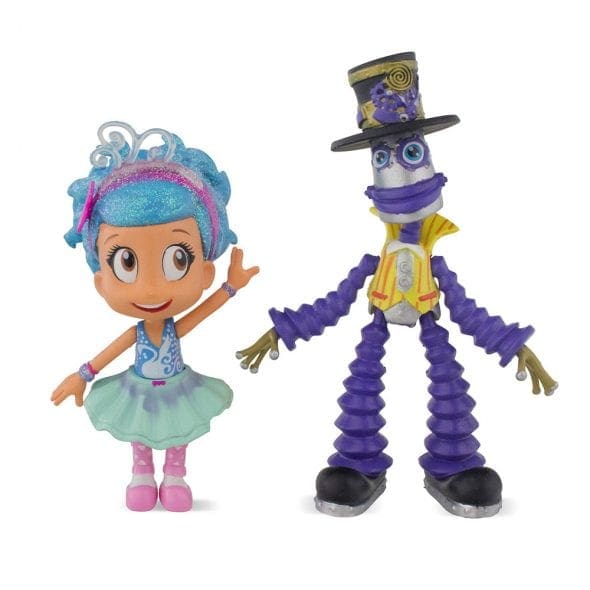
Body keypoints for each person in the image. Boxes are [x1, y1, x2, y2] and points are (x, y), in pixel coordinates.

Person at [237, 53, 557, 518]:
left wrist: (513, 345)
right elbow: (333, 304)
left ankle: (454, 461)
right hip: (379, 319)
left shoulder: (434, 263)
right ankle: (357, 460)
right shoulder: (375, 263)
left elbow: (468, 313)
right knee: (363, 382)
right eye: (382, 158)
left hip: (428, 317)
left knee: (448, 381)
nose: (400, 177)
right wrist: (282, 331)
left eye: (410, 154)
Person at [52, 121, 258, 512]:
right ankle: (142, 474)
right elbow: (111, 351)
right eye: (126, 262)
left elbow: (202, 313)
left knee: (179, 430)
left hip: (177, 386)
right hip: (139, 388)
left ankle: (175, 475)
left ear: (204, 271)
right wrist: (81, 375)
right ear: (101, 281)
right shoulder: (139, 331)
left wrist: (230, 288)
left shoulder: (173, 327)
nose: (150, 289)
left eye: (178, 260)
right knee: (140, 431)